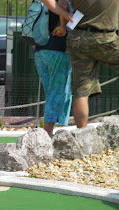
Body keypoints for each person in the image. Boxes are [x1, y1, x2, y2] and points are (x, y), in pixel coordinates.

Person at [42, 0, 119, 128]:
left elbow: (63, 4)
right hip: (107, 38)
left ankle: (82, 136)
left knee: (81, 91)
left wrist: (63, 22)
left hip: (78, 38)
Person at [34, 0, 72, 137]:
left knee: (51, 91)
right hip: (58, 48)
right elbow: (64, 5)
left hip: (40, 49)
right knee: (57, 91)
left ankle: (54, 128)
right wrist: (63, 26)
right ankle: (49, 132)